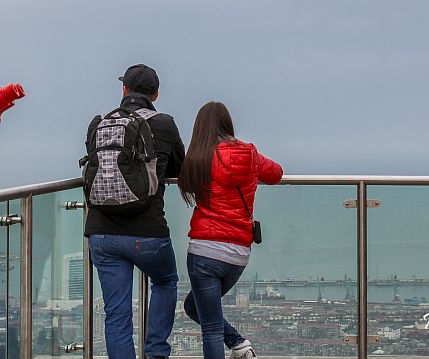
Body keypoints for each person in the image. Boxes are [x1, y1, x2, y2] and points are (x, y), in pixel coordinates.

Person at [84, 64, 185, 359]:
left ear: (124, 89)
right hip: (148, 233)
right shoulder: (164, 123)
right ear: (156, 94)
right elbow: (180, 167)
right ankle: (156, 353)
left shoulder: (102, 123)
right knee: (165, 282)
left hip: (101, 233)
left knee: (116, 315)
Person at [178, 101, 283, 359]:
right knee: (193, 307)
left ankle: (238, 343)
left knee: (211, 328)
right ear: (228, 124)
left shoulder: (199, 159)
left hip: (204, 251)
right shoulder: (250, 154)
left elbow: (186, 183)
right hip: (237, 254)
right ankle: (238, 344)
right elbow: (276, 173)